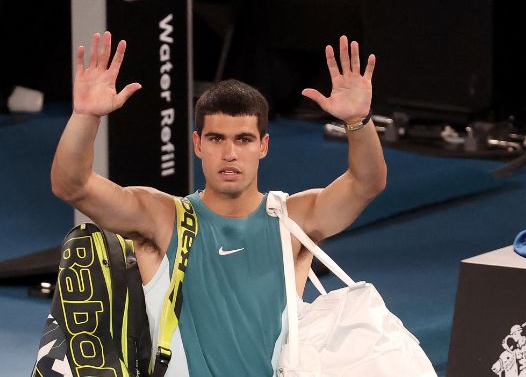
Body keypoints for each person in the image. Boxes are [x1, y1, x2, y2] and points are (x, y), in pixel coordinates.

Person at [51, 31, 387, 376]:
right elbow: (72, 186)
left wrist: (357, 122)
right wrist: (86, 116)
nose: (230, 154)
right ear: (198, 144)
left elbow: (367, 183)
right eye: (216, 138)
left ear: (263, 145)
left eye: (243, 139)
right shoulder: (162, 218)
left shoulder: (293, 221)